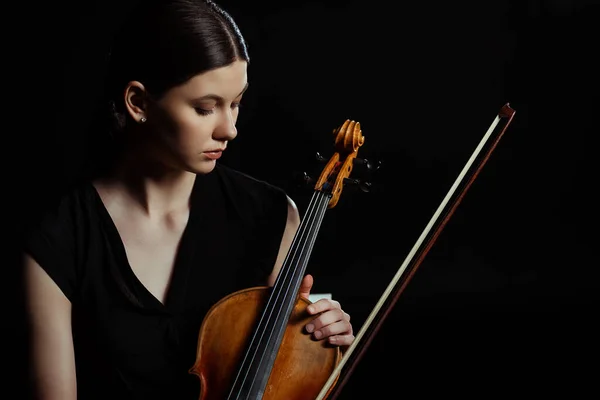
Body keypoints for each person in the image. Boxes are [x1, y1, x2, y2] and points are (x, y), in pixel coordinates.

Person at [20, 0, 355, 399]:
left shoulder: (272, 216)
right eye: (205, 108)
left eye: (236, 103)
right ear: (139, 103)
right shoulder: (60, 240)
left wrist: (323, 345)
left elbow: (284, 381)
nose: (229, 130)